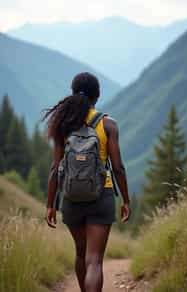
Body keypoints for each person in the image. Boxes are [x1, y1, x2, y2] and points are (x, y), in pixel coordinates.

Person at [43, 72, 131, 292]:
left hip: (71, 198)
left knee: (81, 254)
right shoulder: (108, 124)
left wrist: (50, 204)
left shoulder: (63, 123)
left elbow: (55, 168)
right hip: (102, 195)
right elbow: (118, 167)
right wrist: (126, 200)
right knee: (95, 260)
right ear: (97, 96)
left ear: (73, 93)